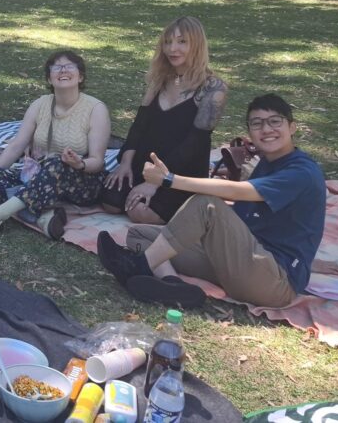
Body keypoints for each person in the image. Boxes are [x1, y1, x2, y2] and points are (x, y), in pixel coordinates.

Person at [97, 94, 325, 309]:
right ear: (250, 132)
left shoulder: (301, 172)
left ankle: (138, 267)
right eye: (257, 123)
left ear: (292, 127)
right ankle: (174, 286)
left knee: (207, 204)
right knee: (140, 235)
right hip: (240, 261)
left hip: (274, 280)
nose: (266, 129)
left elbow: (238, 192)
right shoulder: (266, 163)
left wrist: (169, 180)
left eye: (275, 121)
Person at [0, 50, 111, 240]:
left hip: (82, 182)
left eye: (69, 66)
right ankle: (45, 215)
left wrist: (79, 164)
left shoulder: (96, 109)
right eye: (56, 67)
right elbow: (17, 144)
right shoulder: (40, 104)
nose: (62, 70)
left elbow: (98, 162)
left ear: (80, 76)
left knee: (56, 163)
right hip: (40, 176)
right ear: (50, 79)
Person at [101, 16, 228, 224]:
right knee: (110, 202)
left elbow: (195, 142)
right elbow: (139, 125)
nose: (172, 49)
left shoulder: (213, 88)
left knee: (139, 212)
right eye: (168, 42)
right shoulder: (160, 79)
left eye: (182, 42)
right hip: (145, 163)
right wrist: (125, 163)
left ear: (197, 45)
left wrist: (158, 181)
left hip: (180, 172)